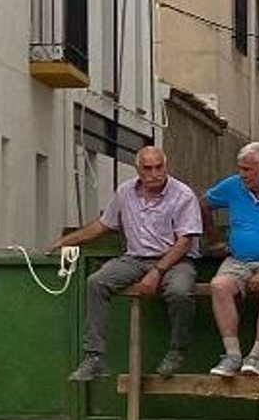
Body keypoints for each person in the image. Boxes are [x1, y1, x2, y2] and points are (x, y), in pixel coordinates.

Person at [61, 145, 204, 383]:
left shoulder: (183, 194)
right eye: (147, 168)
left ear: (166, 166)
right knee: (96, 282)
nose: (154, 174)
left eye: (158, 167)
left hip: (175, 259)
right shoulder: (125, 191)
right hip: (135, 258)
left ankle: (177, 350)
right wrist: (63, 242)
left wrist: (157, 272)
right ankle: (94, 357)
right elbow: (102, 225)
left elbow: (185, 242)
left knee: (180, 290)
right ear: (138, 169)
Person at [200, 142, 259, 377]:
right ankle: (232, 356)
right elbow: (204, 204)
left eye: (247, 169)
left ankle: (256, 357)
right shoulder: (233, 186)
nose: (241, 174)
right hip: (239, 260)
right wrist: (214, 238)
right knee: (219, 286)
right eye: (240, 168)